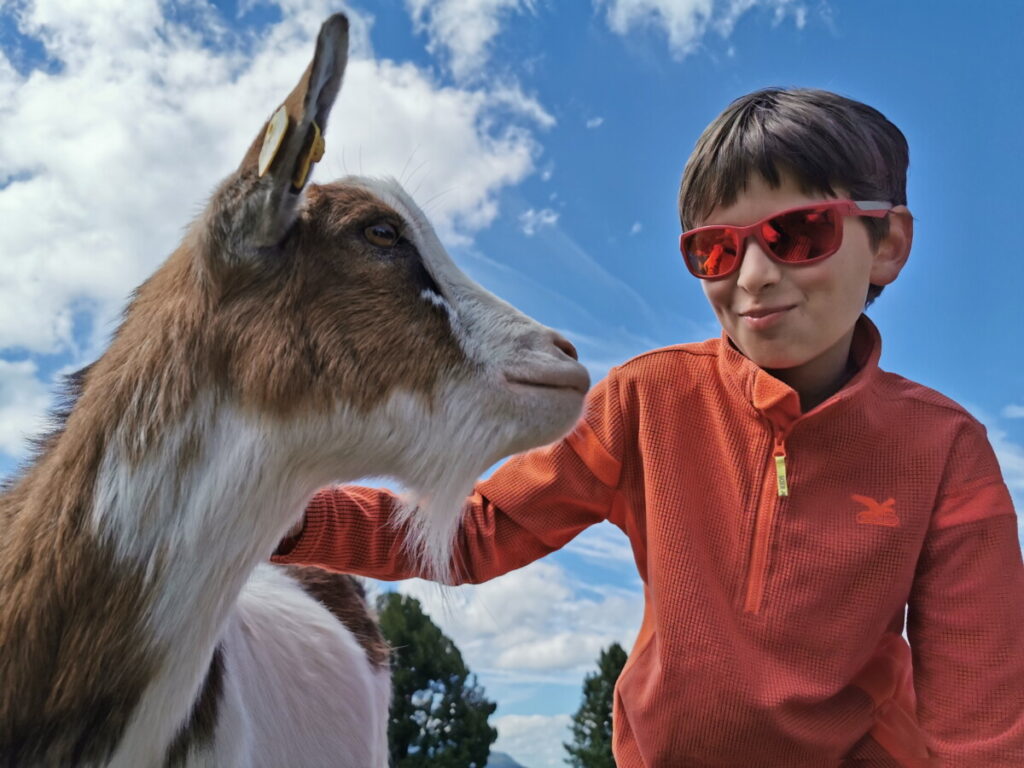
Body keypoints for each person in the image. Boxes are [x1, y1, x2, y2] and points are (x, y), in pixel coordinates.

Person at [272, 88, 1024, 766]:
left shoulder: (944, 450)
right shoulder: (647, 400)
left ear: (887, 243)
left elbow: (978, 715)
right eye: (717, 249)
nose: (753, 276)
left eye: (799, 233)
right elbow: (475, 533)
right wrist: (279, 517)